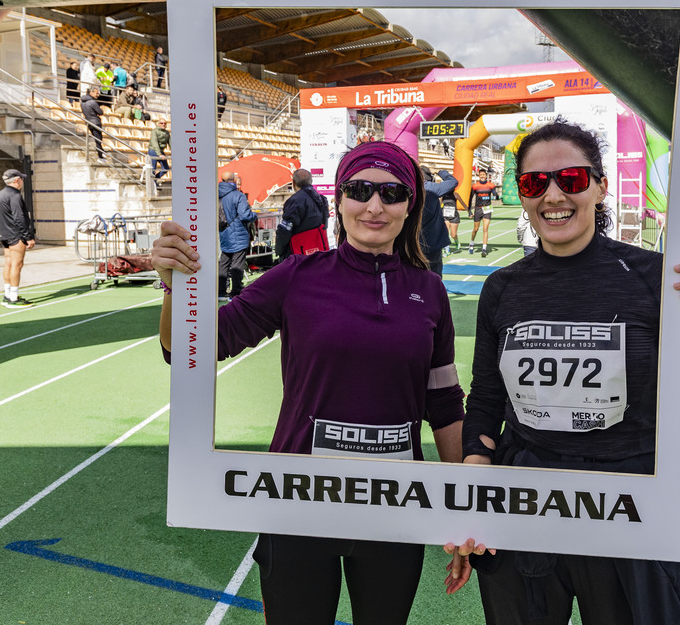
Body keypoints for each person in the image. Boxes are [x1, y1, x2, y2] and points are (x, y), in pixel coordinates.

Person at [153, 140, 465, 625]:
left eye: (392, 193)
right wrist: (175, 284)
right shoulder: (298, 276)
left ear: (411, 205)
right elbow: (188, 350)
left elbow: (444, 404)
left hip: (395, 504)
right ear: (339, 200)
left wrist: (466, 511)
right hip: (297, 499)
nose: (375, 205)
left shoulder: (428, 291)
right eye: (360, 190)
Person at [450, 119, 680, 624]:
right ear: (521, 194)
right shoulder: (502, 289)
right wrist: (475, 478)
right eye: (534, 183)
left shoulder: (658, 278)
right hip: (528, 497)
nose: (554, 195)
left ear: (601, 186)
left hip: (635, 501)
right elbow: (485, 400)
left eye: (573, 179)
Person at [0, 168, 36, 308]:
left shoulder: (0, 194)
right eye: (21, 179)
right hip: (15, 235)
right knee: (17, 265)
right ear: (17, 180)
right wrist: (28, 237)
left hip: (4, 234)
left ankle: (7, 294)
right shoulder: (15, 196)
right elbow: (19, 218)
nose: (23, 181)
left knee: (9, 263)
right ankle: (13, 298)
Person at [274, 168, 330, 259]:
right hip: (318, 251)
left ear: (293, 183)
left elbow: (285, 229)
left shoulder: (295, 201)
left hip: (297, 253)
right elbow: (324, 225)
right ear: (311, 181)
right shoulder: (322, 199)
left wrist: (279, 250)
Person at [218, 170, 256, 299]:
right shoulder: (238, 195)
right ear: (233, 180)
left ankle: (221, 291)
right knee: (237, 264)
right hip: (238, 232)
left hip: (224, 231)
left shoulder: (216, 194)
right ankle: (235, 291)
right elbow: (245, 215)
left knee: (224, 262)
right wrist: (254, 215)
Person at [420, 166, 458, 276]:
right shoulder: (431, 187)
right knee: (434, 278)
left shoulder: (408, 187)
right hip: (433, 242)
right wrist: (439, 171)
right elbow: (453, 181)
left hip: (411, 243)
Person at [468, 168, 496, 257]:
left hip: (487, 208)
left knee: (485, 229)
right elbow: (470, 198)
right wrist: (469, 211)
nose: (482, 176)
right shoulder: (475, 186)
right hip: (478, 209)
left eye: (484, 175)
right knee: (475, 229)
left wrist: (496, 194)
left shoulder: (491, 185)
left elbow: (495, 194)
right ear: (478, 176)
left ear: (486, 175)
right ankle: (471, 243)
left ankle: (484, 249)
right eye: (481, 175)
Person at [80, 85, 106, 161]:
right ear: (91, 92)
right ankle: (100, 156)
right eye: (96, 93)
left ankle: (102, 154)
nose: (98, 95)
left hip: (89, 122)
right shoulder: (92, 102)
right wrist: (97, 113)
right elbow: (100, 112)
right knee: (98, 140)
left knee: (97, 139)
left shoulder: (82, 102)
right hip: (95, 122)